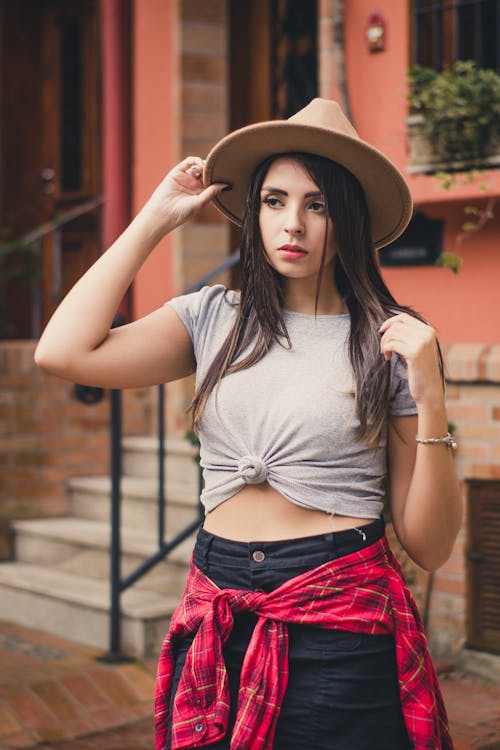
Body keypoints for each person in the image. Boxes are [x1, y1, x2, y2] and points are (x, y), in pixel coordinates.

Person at [35, 98, 462, 750]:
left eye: (318, 205)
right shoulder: (213, 319)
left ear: (349, 218)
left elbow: (429, 546)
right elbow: (63, 352)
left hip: (337, 616)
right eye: (274, 201)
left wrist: (431, 398)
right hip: (216, 606)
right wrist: (156, 218)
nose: (293, 224)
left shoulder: (389, 340)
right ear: (253, 211)